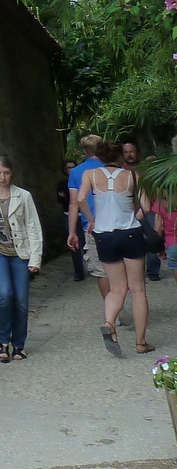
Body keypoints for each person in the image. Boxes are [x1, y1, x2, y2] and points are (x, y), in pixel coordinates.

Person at [78, 141, 154, 355]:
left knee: (117, 288)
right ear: (121, 157)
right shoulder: (131, 176)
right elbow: (146, 206)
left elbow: (81, 198)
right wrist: (134, 218)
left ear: (100, 156)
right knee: (137, 288)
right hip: (130, 233)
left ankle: (110, 323)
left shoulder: (90, 175)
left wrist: (92, 219)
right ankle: (140, 343)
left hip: (104, 235)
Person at [0, 155, 44, 361]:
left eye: (6, 173)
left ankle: (18, 344)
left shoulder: (23, 196)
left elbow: (33, 227)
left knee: (20, 300)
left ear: (12, 173)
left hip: (20, 252)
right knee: (4, 294)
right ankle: (2, 341)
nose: (2, 177)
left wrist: (35, 260)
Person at [68, 137, 114, 311]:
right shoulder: (112, 168)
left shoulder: (77, 172)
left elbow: (74, 203)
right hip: (117, 223)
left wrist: (72, 231)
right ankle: (120, 300)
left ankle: (111, 309)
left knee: (101, 270)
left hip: (92, 226)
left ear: (84, 151)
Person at [125, 141, 161, 282]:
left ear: (137, 153)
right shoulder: (120, 171)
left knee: (152, 237)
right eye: (126, 152)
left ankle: (153, 270)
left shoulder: (146, 169)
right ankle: (135, 271)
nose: (129, 154)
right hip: (128, 210)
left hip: (149, 208)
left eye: (132, 151)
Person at [59, 159, 85, 281]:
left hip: (83, 215)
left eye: (73, 167)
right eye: (69, 167)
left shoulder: (82, 181)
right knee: (74, 244)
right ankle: (79, 272)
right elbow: (62, 200)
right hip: (68, 215)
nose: (71, 170)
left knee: (85, 242)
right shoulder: (62, 184)